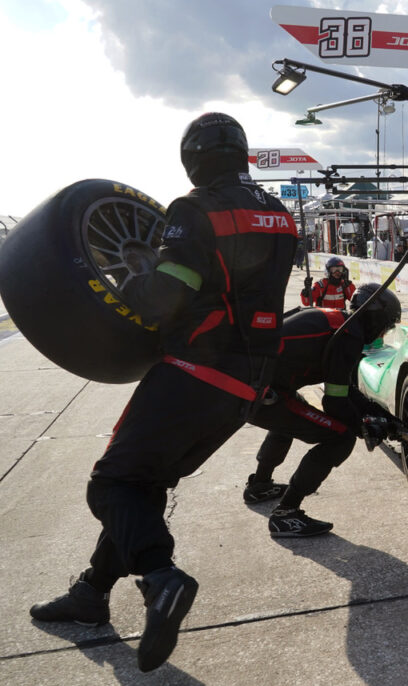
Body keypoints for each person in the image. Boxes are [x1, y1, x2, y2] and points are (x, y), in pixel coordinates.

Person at [30, 113, 297, 672]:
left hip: (196, 370)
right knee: (144, 484)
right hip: (247, 383)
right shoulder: (280, 214)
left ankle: (161, 577)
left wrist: (133, 273)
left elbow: (165, 298)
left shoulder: (195, 210)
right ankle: (90, 594)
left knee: (111, 486)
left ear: (193, 158)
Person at [243, 285, 404, 537]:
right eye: (387, 325)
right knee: (339, 437)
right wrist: (362, 428)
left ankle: (259, 485)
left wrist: (382, 416)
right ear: (376, 319)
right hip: (258, 394)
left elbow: (346, 390)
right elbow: (335, 403)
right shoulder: (349, 336)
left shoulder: (339, 322)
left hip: (252, 386)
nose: (385, 332)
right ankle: (286, 513)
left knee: (290, 412)